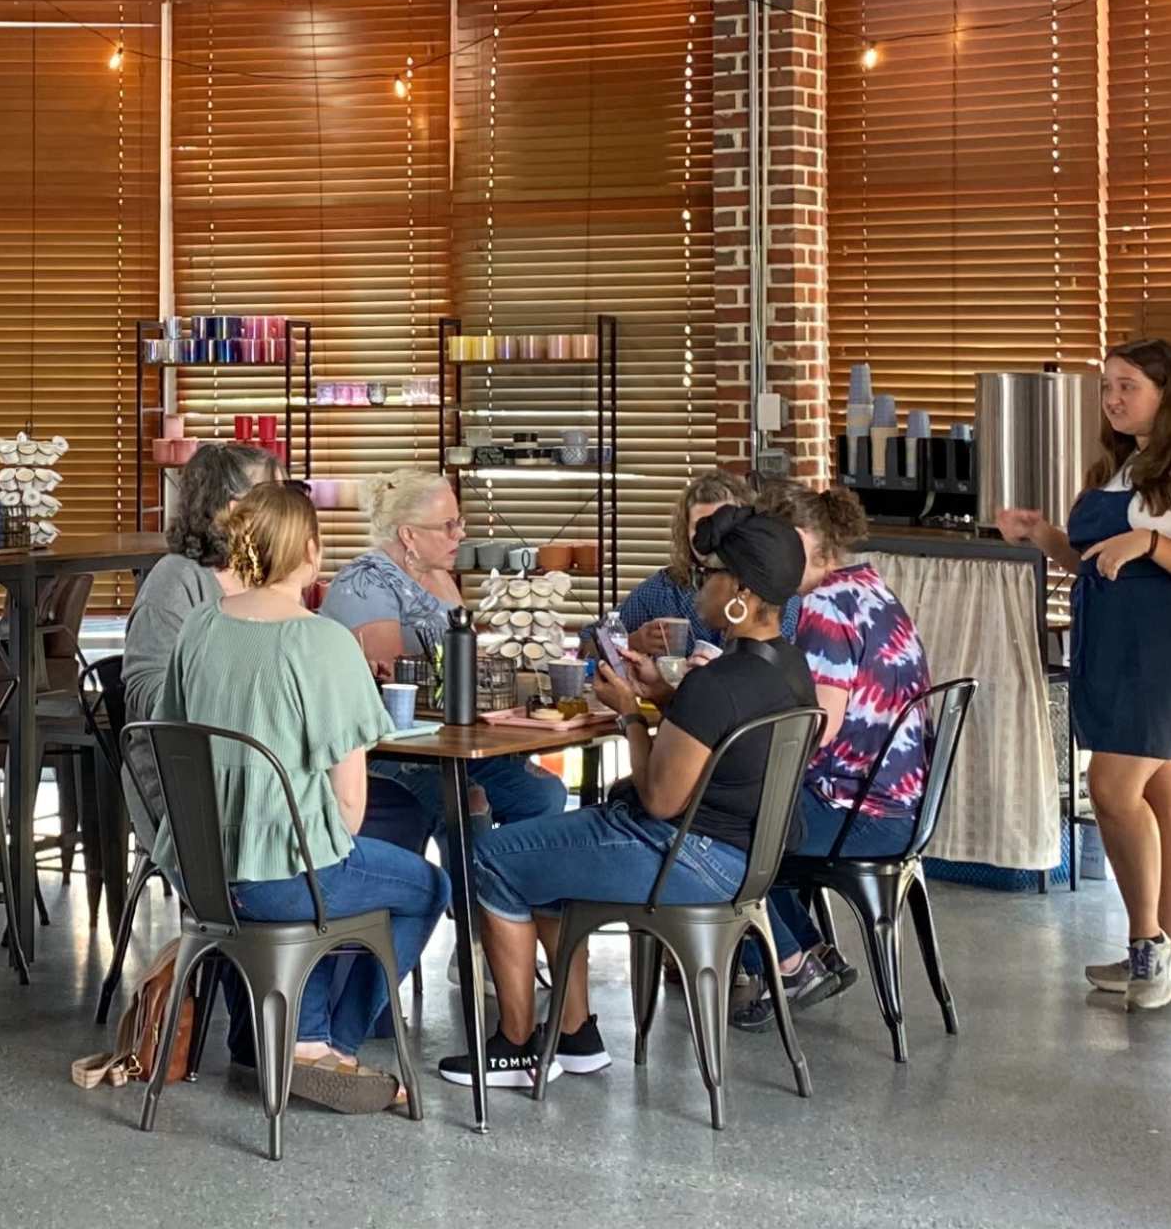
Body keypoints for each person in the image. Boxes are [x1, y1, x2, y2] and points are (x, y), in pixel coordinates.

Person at [437, 508, 818, 1094]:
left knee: (492, 857)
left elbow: (661, 800)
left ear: (740, 592)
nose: (699, 590)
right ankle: (576, 1037)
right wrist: (662, 699)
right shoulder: (789, 670)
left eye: (710, 577)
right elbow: (716, 741)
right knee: (545, 856)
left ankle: (515, 1047)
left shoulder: (715, 685)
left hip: (684, 856)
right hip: (745, 862)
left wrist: (630, 717)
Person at [146, 482, 447, 1111]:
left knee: (311, 882)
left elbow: (171, 737)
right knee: (418, 886)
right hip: (281, 878)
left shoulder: (199, 627)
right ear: (311, 551)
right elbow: (348, 810)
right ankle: (327, 1044)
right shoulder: (322, 641)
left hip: (199, 874)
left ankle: (290, 1039)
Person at [994, 338, 1171, 1011]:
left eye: (1127, 385)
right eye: (1108, 386)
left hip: (1157, 649)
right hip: (1107, 642)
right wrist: (1044, 536)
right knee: (1162, 797)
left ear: (1167, 393)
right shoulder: (1120, 468)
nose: (1112, 398)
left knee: (1110, 789)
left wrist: (1154, 542)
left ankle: (1147, 946)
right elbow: (1095, 562)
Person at [740, 482, 935, 1026]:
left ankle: (788, 960)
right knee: (750, 816)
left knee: (716, 824)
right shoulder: (872, 590)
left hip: (860, 813)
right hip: (898, 804)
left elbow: (816, 729)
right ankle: (807, 952)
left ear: (804, 546)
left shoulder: (824, 608)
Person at [324, 467, 571, 854]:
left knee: (541, 793)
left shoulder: (438, 577)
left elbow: (462, 661)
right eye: (448, 526)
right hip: (386, 749)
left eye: (460, 523)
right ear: (409, 534)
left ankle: (514, 891)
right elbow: (394, 682)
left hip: (446, 742)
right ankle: (480, 904)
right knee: (467, 799)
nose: (461, 534)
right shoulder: (367, 582)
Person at [122, 441, 279, 718]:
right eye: (274, 499)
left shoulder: (272, 575)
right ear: (232, 510)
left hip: (268, 750)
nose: (289, 512)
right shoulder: (176, 580)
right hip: (188, 756)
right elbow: (146, 692)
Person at [613, 466, 753, 656]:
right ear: (685, 531)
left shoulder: (767, 593)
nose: (710, 538)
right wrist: (633, 641)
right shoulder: (663, 590)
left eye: (720, 525)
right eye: (700, 527)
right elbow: (590, 645)